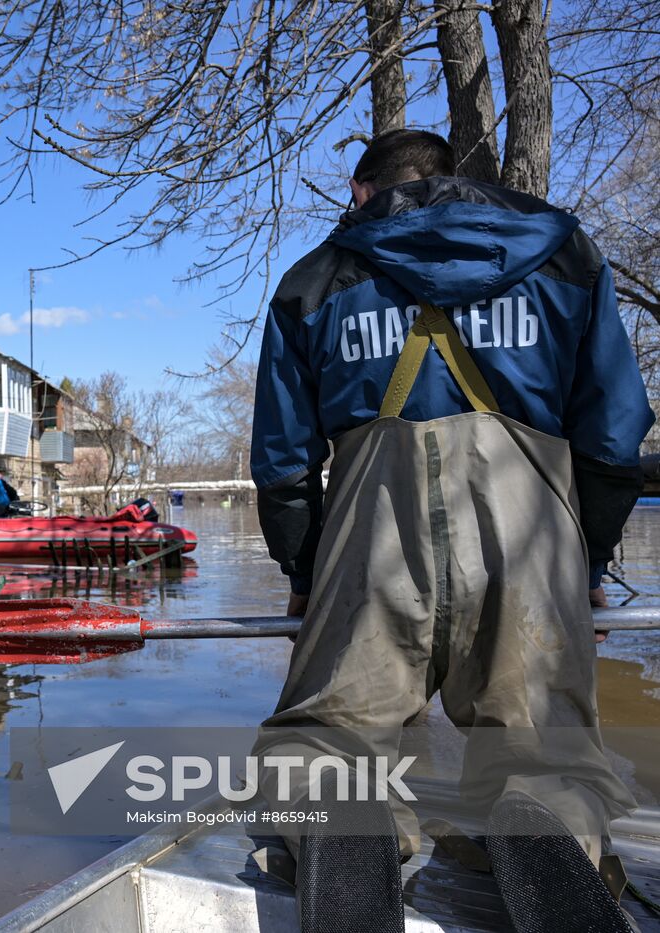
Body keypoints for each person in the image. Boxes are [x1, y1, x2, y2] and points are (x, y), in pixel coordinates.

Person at [250, 129, 652, 932]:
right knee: (545, 755)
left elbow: (285, 465)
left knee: (330, 747)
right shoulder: (564, 256)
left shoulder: (315, 282)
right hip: (527, 546)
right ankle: (545, 834)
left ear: (363, 192)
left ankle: (346, 825)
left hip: (373, 549)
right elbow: (613, 439)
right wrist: (587, 557)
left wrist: (305, 578)